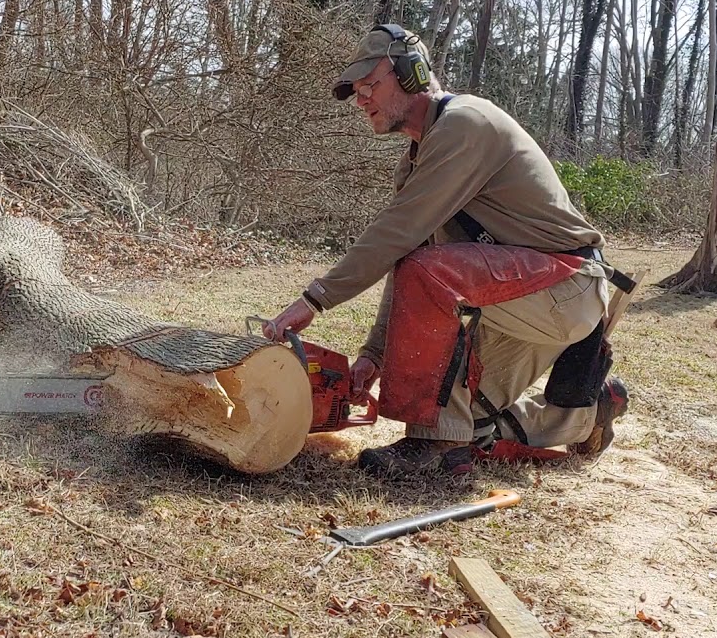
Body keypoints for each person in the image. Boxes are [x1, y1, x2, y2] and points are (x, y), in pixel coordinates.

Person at [263, 24, 632, 476]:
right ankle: (584, 416)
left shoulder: (465, 124)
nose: (361, 99)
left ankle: (429, 442)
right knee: (469, 425)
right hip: (517, 299)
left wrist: (315, 298)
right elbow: (405, 260)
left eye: (370, 85)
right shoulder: (419, 158)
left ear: (413, 73)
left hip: (565, 289)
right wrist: (374, 355)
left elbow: (398, 235)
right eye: (356, 91)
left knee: (441, 412)